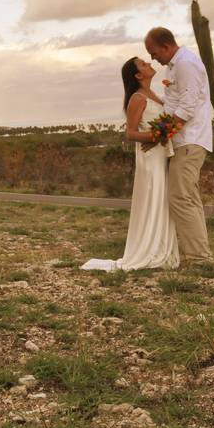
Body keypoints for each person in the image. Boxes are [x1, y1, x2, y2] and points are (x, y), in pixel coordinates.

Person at [80, 57, 179, 271]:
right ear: (137, 75)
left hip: (160, 154)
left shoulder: (154, 95)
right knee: (153, 197)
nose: (149, 64)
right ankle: (148, 250)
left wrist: (163, 134)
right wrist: (156, 137)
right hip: (150, 158)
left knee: (162, 200)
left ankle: (161, 247)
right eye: (143, 64)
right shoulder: (137, 98)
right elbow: (131, 133)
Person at [144, 27, 214, 264]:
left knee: (179, 197)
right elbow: (173, 103)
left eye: (153, 53)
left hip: (190, 140)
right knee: (188, 198)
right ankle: (200, 254)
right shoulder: (173, 66)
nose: (153, 58)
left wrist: (160, 135)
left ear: (165, 46)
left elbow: (187, 107)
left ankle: (199, 257)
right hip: (183, 140)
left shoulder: (185, 64)